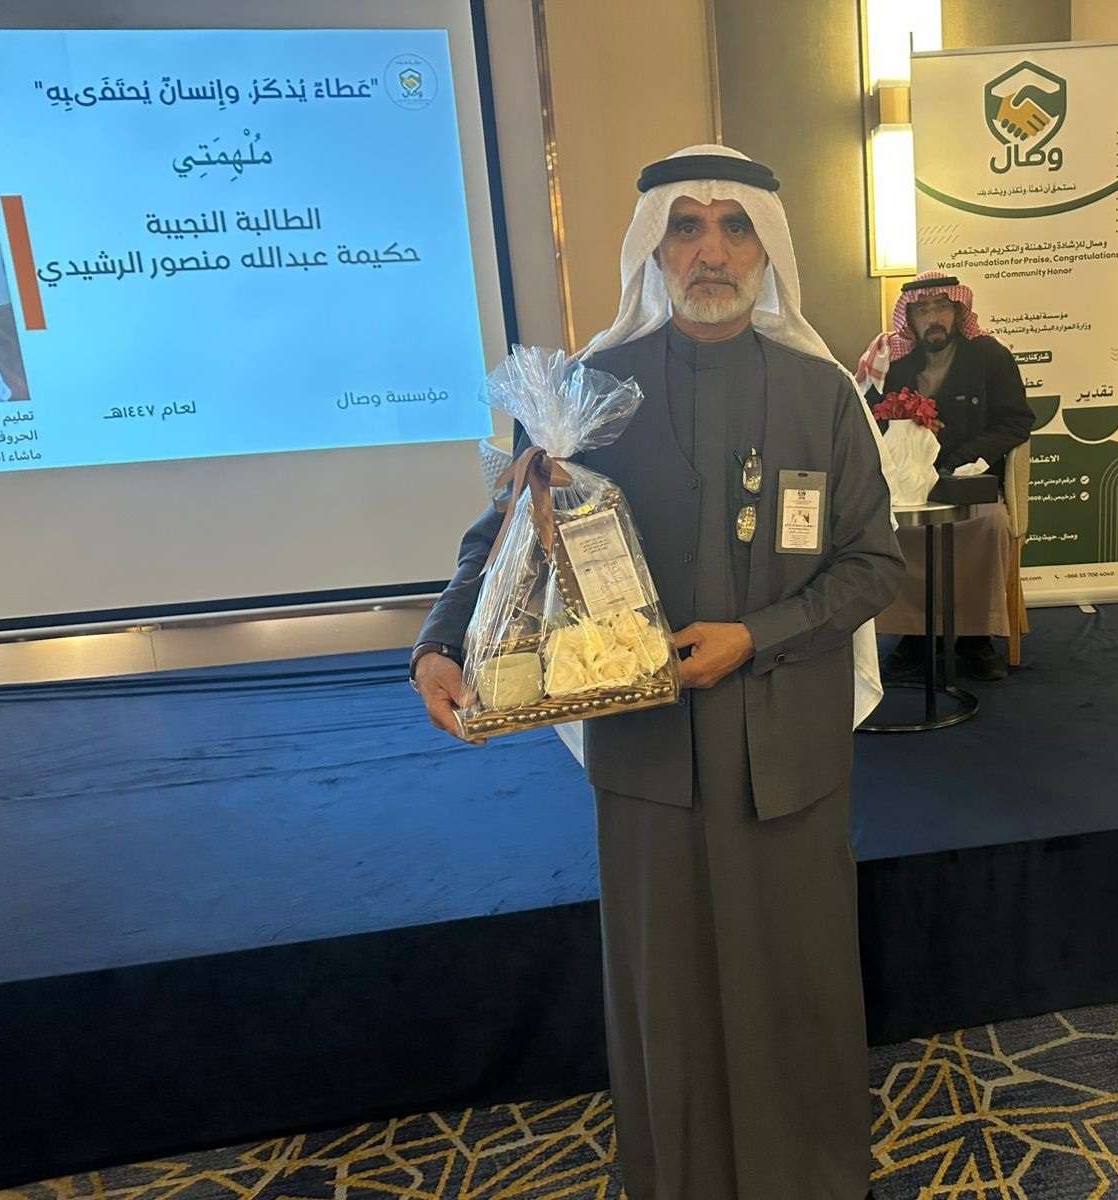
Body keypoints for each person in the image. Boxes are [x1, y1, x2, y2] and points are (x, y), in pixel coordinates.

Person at [411, 144, 902, 1200]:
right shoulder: (586, 397)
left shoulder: (821, 393)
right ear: (654, 249)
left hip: (788, 749)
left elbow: (874, 566)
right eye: (687, 227)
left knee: (796, 976)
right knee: (665, 990)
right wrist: (442, 640)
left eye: (734, 227)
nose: (711, 251)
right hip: (647, 751)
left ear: (767, 247)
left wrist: (755, 636)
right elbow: (502, 534)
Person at [857, 272, 1034, 680]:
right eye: (923, 310)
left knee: (988, 524)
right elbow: (867, 421)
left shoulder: (989, 356)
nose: (933, 318)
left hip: (967, 480)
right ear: (910, 318)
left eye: (941, 307)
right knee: (893, 528)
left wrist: (957, 460)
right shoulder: (892, 363)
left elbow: (1016, 422)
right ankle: (915, 636)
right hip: (908, 484)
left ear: (957, 311)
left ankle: (975, 639)